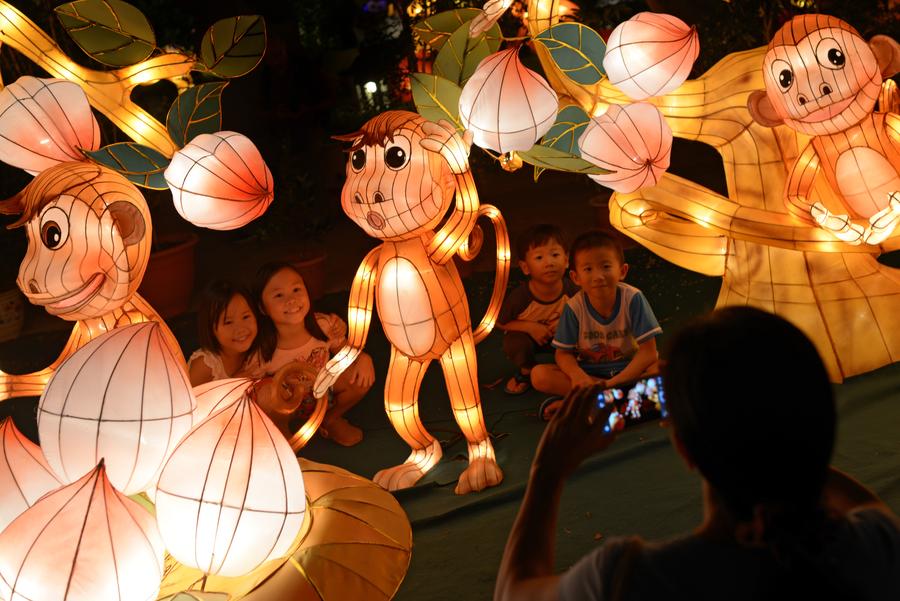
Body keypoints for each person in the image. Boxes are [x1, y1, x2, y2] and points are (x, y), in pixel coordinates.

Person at [495, 307, 900, 601]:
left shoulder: (630, 579)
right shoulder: (874, 545)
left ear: (685, 449)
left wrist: (547, 472)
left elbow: (514, 592)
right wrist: (778, 437)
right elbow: (870, 508)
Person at [531, 231, 660, 419]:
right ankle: (624, 401)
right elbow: (563, 353)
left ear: (622, 271)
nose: (598, 276)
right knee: (539, 375)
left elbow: (649, 352)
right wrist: (577, 375)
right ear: (576, 277)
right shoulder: (574, 307)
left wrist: (610, 385)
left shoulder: (633, 299)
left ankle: (586, 402)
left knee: (661, 369)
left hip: (631, 368)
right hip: (590, 373)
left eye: (606, 266)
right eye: (588, 269)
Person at [253, 261, 375, 446]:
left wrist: (364, 358)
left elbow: (346, 353)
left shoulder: (323, 326)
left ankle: (331, 420)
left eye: (296, 289)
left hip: (324, 394)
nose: (291, 300)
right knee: (265, 394)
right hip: (288, 404)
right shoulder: (262, 349)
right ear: (262, 307)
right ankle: (283, 436)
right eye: (278, 295)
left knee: (359, 375)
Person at [497, 224, 577, 395]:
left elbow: (587, 313)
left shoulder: (573, 290)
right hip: (531, 340)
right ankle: (527, 371)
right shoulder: (520, 298)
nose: (549, 263)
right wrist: (530, 327)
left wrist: (566, 323)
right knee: (514, 342)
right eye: (539, 258)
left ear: (566, 260)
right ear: (525, 267)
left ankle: (569, 368)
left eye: (555, 255)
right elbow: (499, 322)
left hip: (563, 340)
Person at [188, 280, 261, 387]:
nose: (240, 329)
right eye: (228, 322)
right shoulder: (206, 365)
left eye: (246, 317)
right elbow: (186, 401)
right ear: (210, 328)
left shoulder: (258, 353)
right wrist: (231, 384)